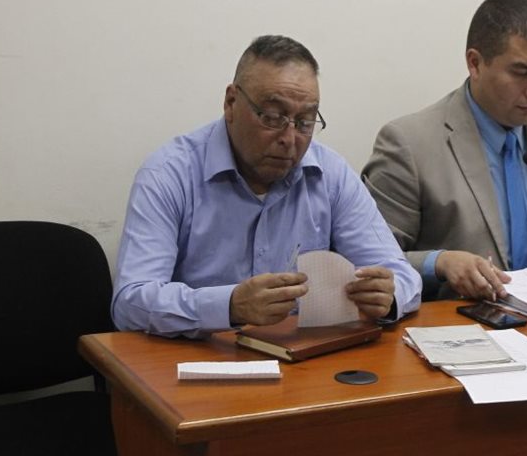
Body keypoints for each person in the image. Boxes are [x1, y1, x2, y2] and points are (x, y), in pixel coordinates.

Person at [112, 35, 422, 338]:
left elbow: (403, 275)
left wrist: (388, 296)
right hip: (198, 363)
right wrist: (229, 305)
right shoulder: (169, 174)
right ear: (231, 102)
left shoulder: (331, 174)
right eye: (273, 117)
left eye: (305, 121)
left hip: (303, 360)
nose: (289, 138)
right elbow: (131, 302)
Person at [362, 0, 527, 301]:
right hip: (462, 331)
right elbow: (370, 263)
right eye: (521, 73)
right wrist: (440, 263)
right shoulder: (409, 143)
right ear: (475, 63)